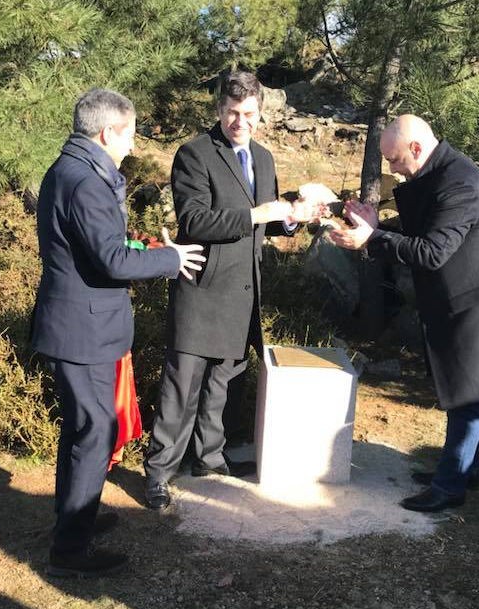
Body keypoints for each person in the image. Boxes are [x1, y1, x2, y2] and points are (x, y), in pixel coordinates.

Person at [31, 88, 205, 576]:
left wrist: (144, 246)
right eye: (130, 134)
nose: (132, 144)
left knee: (82, 429)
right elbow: (110, 260)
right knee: (95, 431)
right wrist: (172, 259)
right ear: (108, 132)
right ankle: (69, 551)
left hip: (79, 326)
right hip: (81, 331)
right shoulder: (85, 181)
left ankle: (76, 520)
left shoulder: (69, 169)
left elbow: (100, 246)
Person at [331, 115, 479, 512]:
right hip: (466, 297)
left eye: (393, 159)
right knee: (466, 393)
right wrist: (376, 226)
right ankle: (463, 470)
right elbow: (423, 229)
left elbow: (431, 251)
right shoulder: (440, 171)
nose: (391, 169)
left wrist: (372, 238)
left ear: (415, 148)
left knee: (466, 394)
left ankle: (450, 486)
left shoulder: (461, 184)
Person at [143, 71, 322, 509]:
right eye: (231, 113)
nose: (240, 122)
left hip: (243, 292)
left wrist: (293, 216)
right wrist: (258, 213)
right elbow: (196, 221)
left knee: (222, 386)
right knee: (181, 389)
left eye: (248, 114)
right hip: (202, 289)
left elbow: (269, 220)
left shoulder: (263, 157)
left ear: (261, 114)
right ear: (218, 110)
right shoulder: (194, 154)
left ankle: (209, 459)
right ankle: (159, 474)